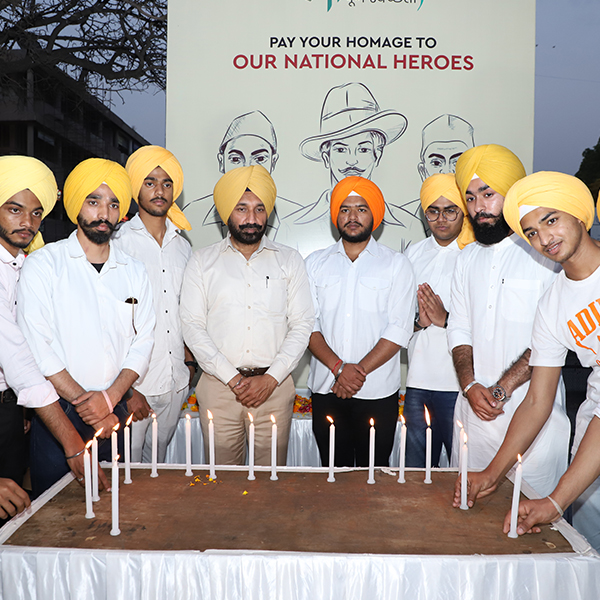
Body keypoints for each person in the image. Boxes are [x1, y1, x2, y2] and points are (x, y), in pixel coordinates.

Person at [453, 171, 600, 550]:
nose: (544, 239)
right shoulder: (552, 306)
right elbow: (537, 401)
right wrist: (492, 474)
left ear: (578, 214)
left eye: (551, 220)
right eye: (531, 232)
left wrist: (555, 500)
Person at [17, 158, 155, 496]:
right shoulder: (43, 265)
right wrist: (87, 404)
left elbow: (144, 341)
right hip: (58, 413)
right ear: (76, 205)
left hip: (116, 410)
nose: (104, 213)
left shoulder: (135, 271)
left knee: (117, 506)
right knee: (54, 511)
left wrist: (109, 398)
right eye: (94, 201)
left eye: (113, 204)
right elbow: (38, 348)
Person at [448, 144, 570, 497]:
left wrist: (502, 388)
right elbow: (459, 327)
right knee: (467, 514)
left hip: (536, 419)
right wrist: (470, 385)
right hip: (473, 417)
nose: (479, 207)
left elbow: (552, 337)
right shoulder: (466, 258)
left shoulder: (545, 254)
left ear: (512, 192)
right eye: (470, 197)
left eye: (488, 194)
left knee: (535, 521)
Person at [180, 165, 314, 465]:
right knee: (222, 481)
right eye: (242, 208)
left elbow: (302, 324)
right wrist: (232, 379)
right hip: (218, 387)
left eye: (259, 209)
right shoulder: (202, 262)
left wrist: (271, 378)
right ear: (226, 213)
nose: (251, 218)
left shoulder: (289, 260)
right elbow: (192, 326)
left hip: (274, 388)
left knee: (271, 481)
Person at [0, 155, 96, 518]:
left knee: (11, 520)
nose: (27, 222)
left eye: (36, 212)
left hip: (11, 411)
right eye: (14, 209)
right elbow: (19, 360)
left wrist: (22, 408)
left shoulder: (26, 264)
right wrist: (73, 443)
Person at [306, 176, 415, 467]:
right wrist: (339, 369)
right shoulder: (314, 263)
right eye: (345, 209)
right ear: (336, 216)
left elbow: (400, 328)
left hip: (378, 391)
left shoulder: (397, 264)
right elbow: (307, 325)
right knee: (333, 476)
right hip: (327, 388)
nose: (352, 216)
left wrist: (356, 373)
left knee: (374, 477)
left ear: (374, 215)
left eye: (361, 209)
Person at [113, 145, 193, 463]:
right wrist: (128, 390)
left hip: (176, 382)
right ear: (136, 189)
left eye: (166, 183)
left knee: (158, 469)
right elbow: (110, 324)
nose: (159, 191)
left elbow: (186, 311)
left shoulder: (183, 247)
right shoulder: (118, 244)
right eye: (150, 182)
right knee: (128, 472)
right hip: (136, 386)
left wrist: (188, 366)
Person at [296, 82, 423, 255]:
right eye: (341, 150)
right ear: (326, 157)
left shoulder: (409, 227)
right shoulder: (292, 227)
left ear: (377, 154)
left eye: (363, 149)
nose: (352, 161)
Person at [403, 173, 474, 468]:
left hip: (462, 385)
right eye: (433, 211)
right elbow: (399, 318)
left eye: (450, 210)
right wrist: (419, 322)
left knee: (463, 470)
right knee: (415, 474)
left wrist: (446, 319)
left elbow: (488, 321)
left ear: (463, 212)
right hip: (417, 382)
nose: (441, 219)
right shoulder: (412, 254)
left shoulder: (476, 254)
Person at [183, 110, 302, 244]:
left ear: (273, 162)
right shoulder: (191, 215)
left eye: (260, 159)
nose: (247, 167)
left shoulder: (297, 218)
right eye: (235, 159)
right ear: (221, 162)